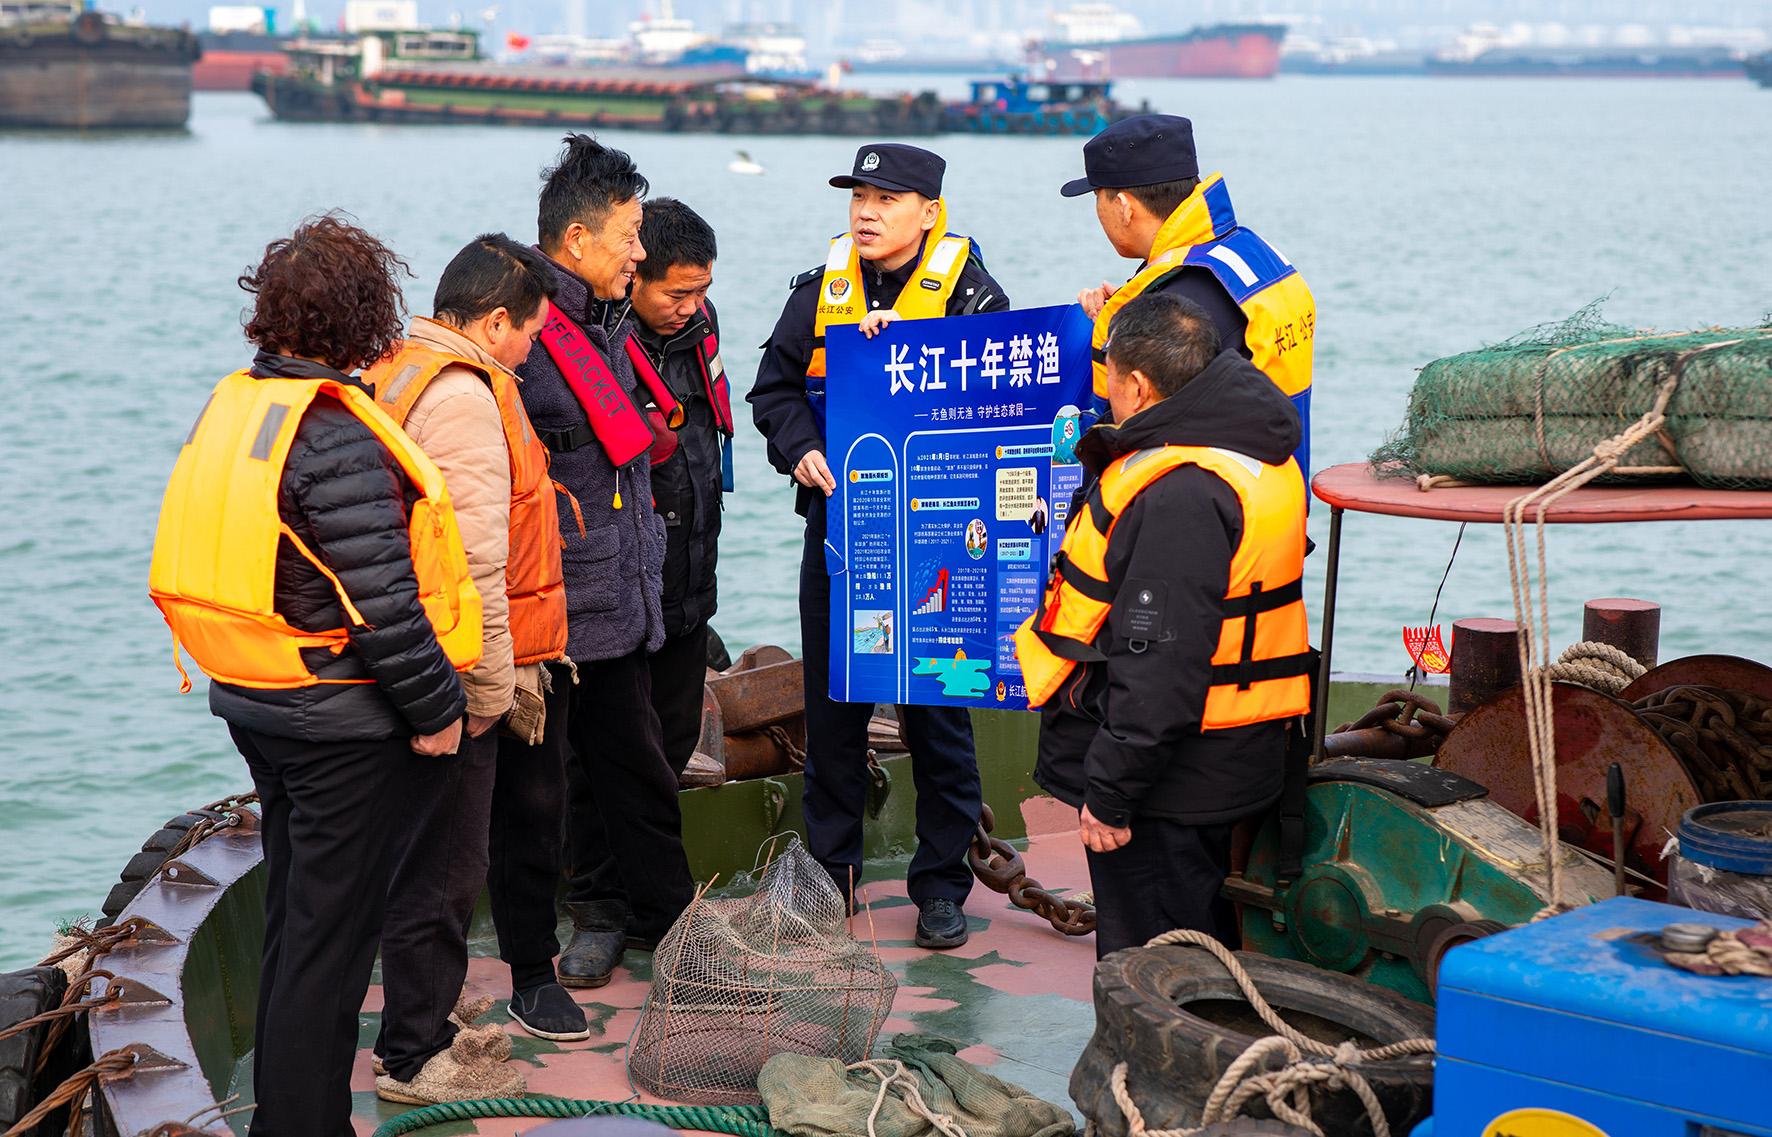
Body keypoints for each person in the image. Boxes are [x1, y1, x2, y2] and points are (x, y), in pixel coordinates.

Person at [147, 215, 478, 1136]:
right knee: (328, 951)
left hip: (256, 701)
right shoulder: (334, 434)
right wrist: (440, 710)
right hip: (337, 724)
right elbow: (384, 604)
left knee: (299, 924)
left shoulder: (242, 406)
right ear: (363, 316)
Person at [749, 143, 1009, 950]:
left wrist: (921, 355)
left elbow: (1009, 403)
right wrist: (800, 447)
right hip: (841, 531)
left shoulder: (973, 298)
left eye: (886, 198)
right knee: (834, 710)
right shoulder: (819, 292)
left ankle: (941, 886)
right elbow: (772, 390)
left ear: (929, 212)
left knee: (937, 711)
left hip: (939, 538)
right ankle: (833, 877)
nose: (866, 211)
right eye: (858, 195)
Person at [1013, 292, 1313, 959]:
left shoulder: (1179, 492)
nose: (1107, 395)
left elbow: (1160, 666)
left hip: (1170, 788)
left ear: (1139, 386)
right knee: (1205, 945)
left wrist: (1112, 794)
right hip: (1235, 755)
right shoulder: (1252, 450)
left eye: (1111, 379)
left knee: (1154, 969)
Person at [362, 233, 588, 1104]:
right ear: (494, 323)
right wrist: (491, 691)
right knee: (447, 866)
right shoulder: (463, 397)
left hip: (400, 661)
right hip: (452, 674)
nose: (532, 350)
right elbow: (477, 562)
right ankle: (413, 1056)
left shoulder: (400, 366)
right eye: (529, 332)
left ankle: (417, 1024)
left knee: (417, 857)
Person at [515, 134, 695, 989]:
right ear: (578, 238)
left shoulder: (604, 318)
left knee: (631, 763)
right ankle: (607, 918)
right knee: (568, 777)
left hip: (622, 588)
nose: (639, 251)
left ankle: (660, 920)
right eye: (629, 235)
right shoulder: (523, 327)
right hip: (559, 598)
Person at [1064, 114, 1315, 476]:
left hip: (1207, 503)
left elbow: (1132, 437)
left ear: (1123, 206)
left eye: (1097, 197)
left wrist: (1130, 330)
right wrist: (1135, 312)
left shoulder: (1178, 305)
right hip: (1278, 486)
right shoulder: (1252, 253)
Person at [623, 197, 731, 773]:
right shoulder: (604, 346)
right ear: (633, 273)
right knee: (620, 756)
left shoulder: (699, 327)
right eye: (676, 295)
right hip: (630, 596)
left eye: (701, 291)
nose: (690, 308)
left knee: (677, 737)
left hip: (693, 581)